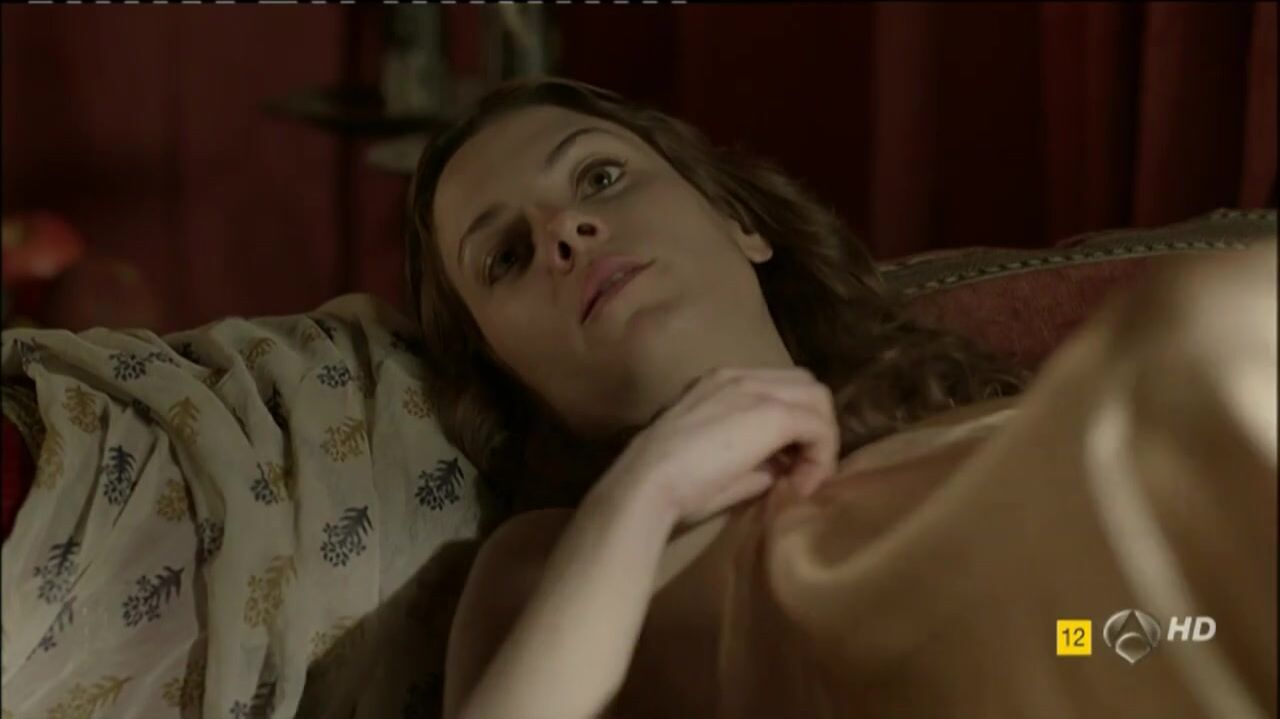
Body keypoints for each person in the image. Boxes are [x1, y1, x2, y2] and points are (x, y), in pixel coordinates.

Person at [405, 77, 1276, 719]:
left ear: (740, 223)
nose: (563, 230)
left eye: (599, 177)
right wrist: (650, 488)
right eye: (506, 256)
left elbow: (1111, 628)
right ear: (507, 376)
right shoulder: (544, 561)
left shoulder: (963, 409)